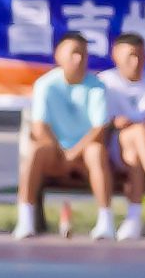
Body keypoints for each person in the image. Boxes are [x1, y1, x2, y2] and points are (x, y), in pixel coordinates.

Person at [11, 32, 113, 242]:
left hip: (83, 154)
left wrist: (74, 153)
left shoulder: (97, 86)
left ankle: (106, 222)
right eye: (73, 53)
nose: (79, 59)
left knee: (96, 152)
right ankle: (25, 220)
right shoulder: (45, 85)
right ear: (59, 55)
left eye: (83, 54)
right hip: (54, 153)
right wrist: (61, 151)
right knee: (35, 150)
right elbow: (40, 127)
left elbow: (99, 129)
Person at [93, 31, 145, 243]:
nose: (136, 62)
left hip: (143, 148)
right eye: (130, 56)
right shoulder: (104, 82)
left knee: (136, 148)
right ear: (116, 55)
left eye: (140, 56)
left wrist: (138, 125)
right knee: (136, 136)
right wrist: (116, 123)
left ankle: (134, 218)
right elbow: (100, 122)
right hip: (114, 149)